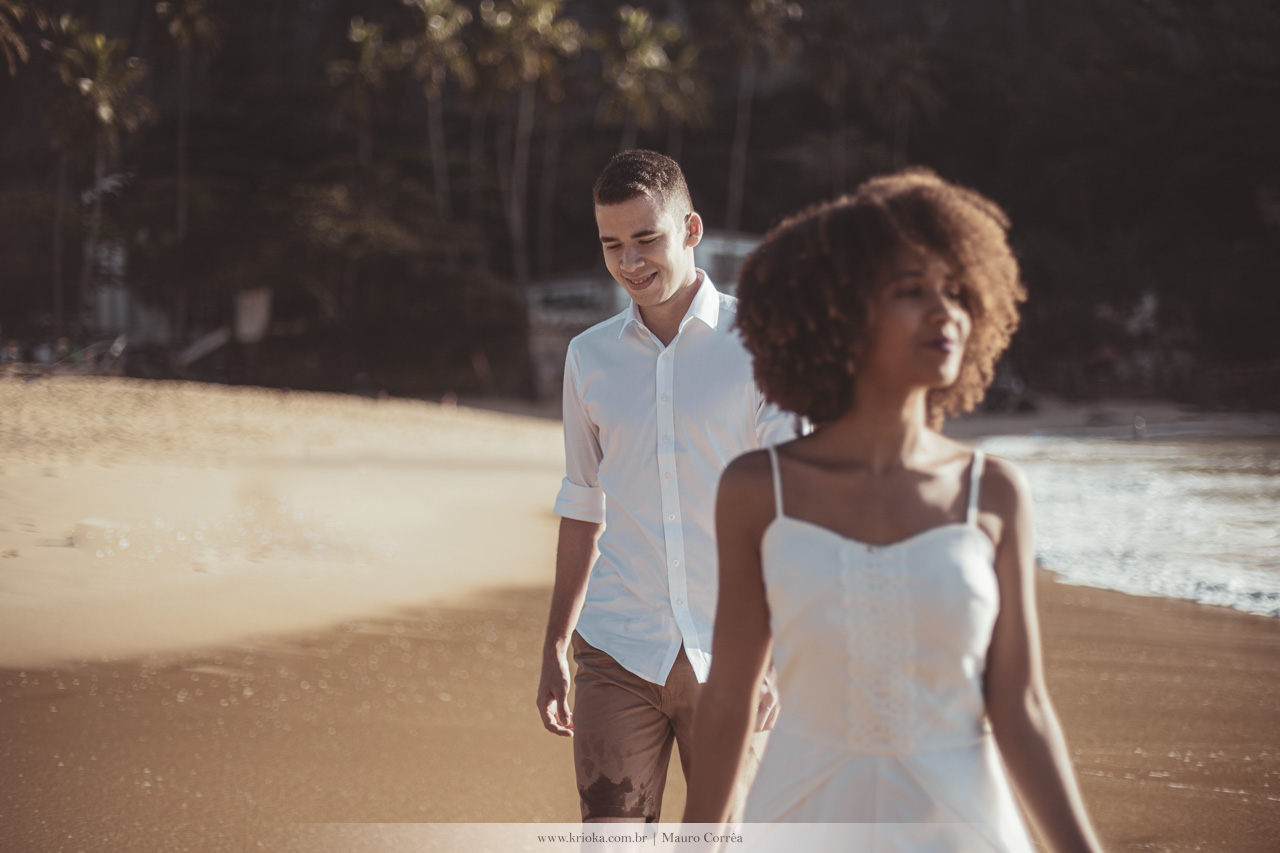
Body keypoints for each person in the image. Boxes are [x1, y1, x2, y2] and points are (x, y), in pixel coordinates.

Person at [683, 169, 1104, 852]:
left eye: (957, 292)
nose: (946, 314)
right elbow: (729, 697)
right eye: (911, 291)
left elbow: (1021, 705)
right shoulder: (758, 490)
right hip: (799, 817)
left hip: (960, 824)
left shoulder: (993, 493)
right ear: (840, 311)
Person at [536, 150, 797, 823]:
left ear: (690, 229)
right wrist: (554, 645)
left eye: (646, 238)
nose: (629, 262)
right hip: (616, 646)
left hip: (736, 650)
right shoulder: (588, 356)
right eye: (612, 244)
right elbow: (582, 503)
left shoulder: (763, 343)